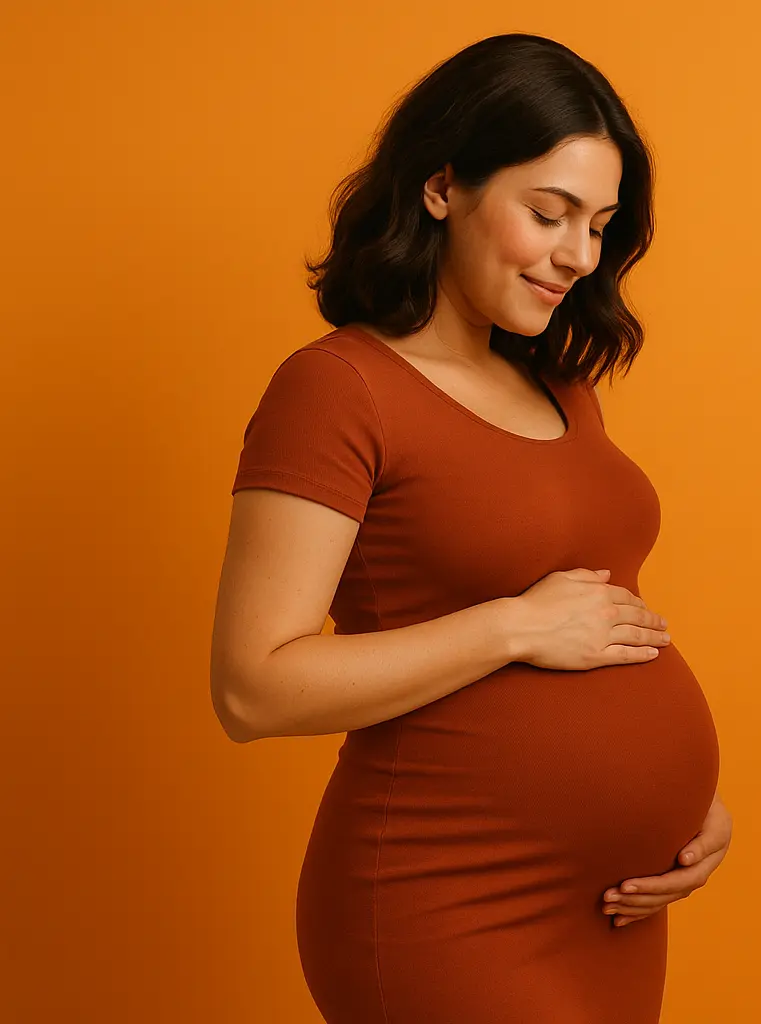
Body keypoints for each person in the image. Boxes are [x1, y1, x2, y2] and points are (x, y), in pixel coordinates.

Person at [209, 34, 729, 1024]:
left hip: (611, 915)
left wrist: (687, 809)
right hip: (445, 897)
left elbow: (596, 617)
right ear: (441, 187)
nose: (580, 255)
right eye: (550, 214)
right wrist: (514, 626)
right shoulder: (338, 389)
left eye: (602, 226)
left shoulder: (559, 384)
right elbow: (251, 683)